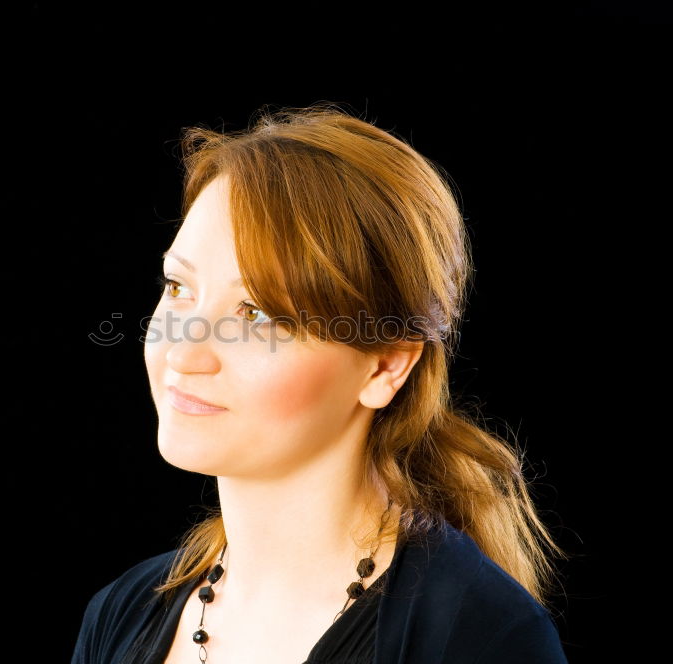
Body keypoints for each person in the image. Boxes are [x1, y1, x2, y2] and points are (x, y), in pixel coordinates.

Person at [70, 102, 570, 663]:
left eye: (255, 313)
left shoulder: (478, 638)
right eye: (178, 287)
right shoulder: (119, 615)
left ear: (385, 367)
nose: (182, 350)